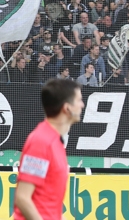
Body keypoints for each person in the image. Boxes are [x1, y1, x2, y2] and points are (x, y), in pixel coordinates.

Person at [13, 79, 84, 220]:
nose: (82, 105)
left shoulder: (54, 141)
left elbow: (50, 206)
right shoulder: (41, 142)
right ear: (67, 108)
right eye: (79, 100)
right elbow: (22, 198)